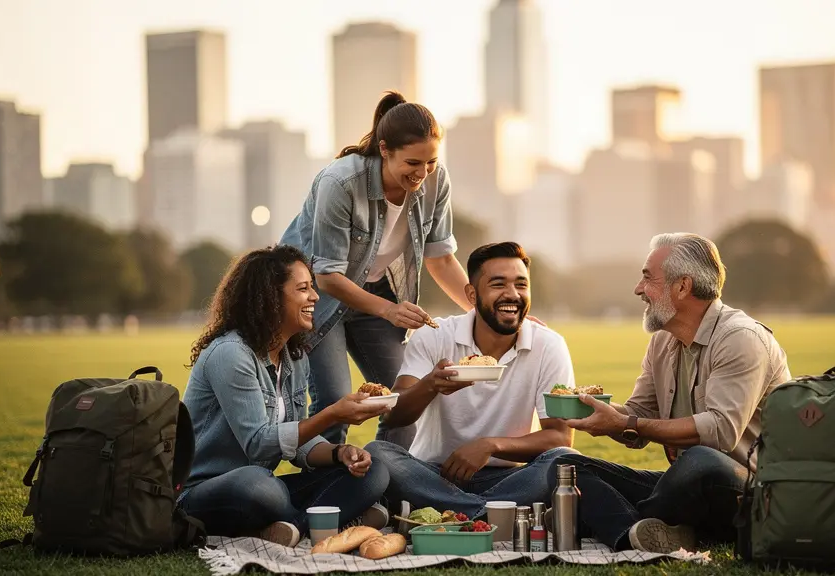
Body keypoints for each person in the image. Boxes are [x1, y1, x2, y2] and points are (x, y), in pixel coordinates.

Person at [550, 232, 792, 553]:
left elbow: (719, 434)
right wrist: (596, 414)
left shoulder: (740, 339)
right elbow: (639, 418)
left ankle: (620, 519)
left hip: (751, 491)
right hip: (684, 486)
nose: (638, 289)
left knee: (699, 459)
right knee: (566, 467)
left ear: (682, 286)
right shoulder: (663, 340)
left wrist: (627, 424)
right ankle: (639, 533)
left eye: (648, 279)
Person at [279, 91, 474, 450]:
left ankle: (386, 480)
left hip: (378, 294)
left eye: (430, 162)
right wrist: (390, 310)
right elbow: (326, 275)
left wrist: (481, 313)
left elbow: (441, 258)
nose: (422, 173)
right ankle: (323, 495)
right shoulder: (339, 183)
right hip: (317, 301)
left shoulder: (435, 181)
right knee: (335, 402)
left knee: (408, 400)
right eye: (413, 163)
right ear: (384, 150)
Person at [179, 245, 392, 548]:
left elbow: (299, 440)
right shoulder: (231, 354)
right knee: (260, 485)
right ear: (269, 297)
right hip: (208, 490)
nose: (315, 297)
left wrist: (338, 453)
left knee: (374, 473)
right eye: (303, 289)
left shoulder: (294, 357)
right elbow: (259, 446)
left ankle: (289, 527)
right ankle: (326, 522)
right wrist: (332, 414)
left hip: (264, 488)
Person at [369, 242, 577, 519]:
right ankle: (494, 512)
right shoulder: (435, 335)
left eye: (521, 285)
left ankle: (448, 511)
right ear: (471, 293)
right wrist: (431, 385)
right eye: (498, 284)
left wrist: (491, 445)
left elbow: (560, 436)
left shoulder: (549, 345)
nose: (512, 295)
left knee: (563, 459)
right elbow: (393, 416)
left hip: (510, 477)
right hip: (436, 475)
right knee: (378, 453)